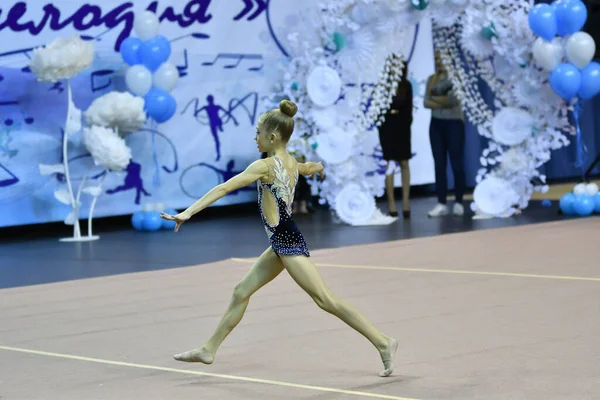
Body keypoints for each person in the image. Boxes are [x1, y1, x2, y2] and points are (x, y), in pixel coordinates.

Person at [160, 100, 398, 377]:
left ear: (272, 137)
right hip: (280, 242)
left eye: (258, 131)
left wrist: (187, 213)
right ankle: (209, 349)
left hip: (288, 242)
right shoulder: (291, 163)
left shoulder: (266, 166)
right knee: (241, 291)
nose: (255, 136)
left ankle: (383, 342)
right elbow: (307, 167)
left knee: (325, 300)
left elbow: (224, 188)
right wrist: (318, 166)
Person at [424, 50, 466, 217]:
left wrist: (436, 99)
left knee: (456, 163)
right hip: (436, 124)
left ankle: (459, 201)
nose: (438, 61)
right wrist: (439, 100)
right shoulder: (431, 79)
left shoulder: (456, 77)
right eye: (435, 58)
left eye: (440, 58)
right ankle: (441, 202)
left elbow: (453, 101)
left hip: (454, 123)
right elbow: (425, 102)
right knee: (439, 164)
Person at [378, 59, 413, 219]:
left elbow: (409, 109)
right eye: (392, 66)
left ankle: (406, 203)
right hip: (387, 127)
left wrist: (403, 122)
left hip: (403, 126)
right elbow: (378, 109)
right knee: (390, 163)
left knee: (404, 163)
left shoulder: (407, 85)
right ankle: (391, 203)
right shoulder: (383, 85)